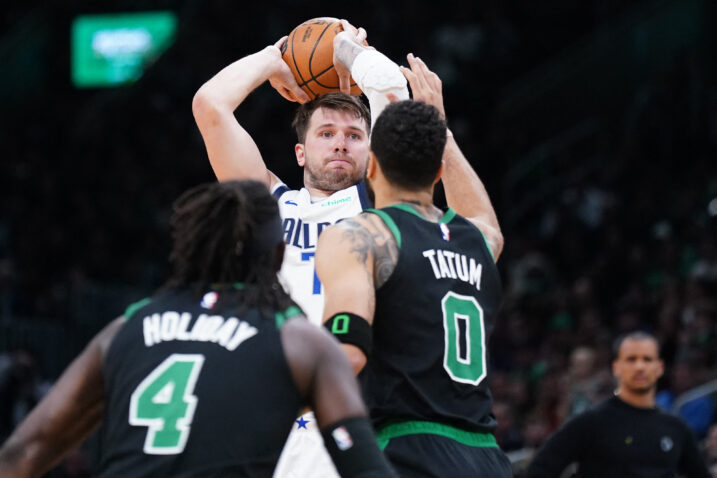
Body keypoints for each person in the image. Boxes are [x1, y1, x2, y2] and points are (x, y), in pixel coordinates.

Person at [192, 20, 451, 478]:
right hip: (272, 396)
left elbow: (393, 97)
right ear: (299, 152)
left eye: (354, 136)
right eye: (326, 133)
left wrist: (350, 51)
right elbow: (210, 107)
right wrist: (276, 58)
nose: (340, 144)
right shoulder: (269, 204)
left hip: (355, 397)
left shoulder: (380, 196)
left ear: (372, 151)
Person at [0, 180, 397, 478]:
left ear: (190, 245)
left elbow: (25, 450)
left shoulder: (128, 325)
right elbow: (364, 467)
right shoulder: (297, 338)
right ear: (279, 254)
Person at [315, 98, 511, 477]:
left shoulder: (361, 234)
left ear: (370, 164)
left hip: (406, 450)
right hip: (487, 456)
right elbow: (486, 219)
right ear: (439, 171)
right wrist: (443, 131)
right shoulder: (479, 242)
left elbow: (346, 353)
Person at [526, 331, 710, 478]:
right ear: (617, 368)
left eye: (647, 359)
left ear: (659, 368)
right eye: (631, 359)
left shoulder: (675, 427)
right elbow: (541, 468)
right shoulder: (591, 422)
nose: (640, 367)